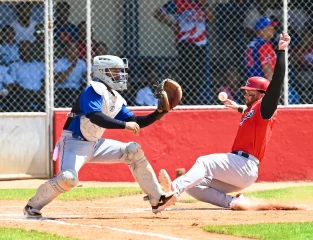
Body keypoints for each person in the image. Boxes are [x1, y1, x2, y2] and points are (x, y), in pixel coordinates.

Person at [23, 55, 176, 218]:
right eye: (115, 71)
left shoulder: (115, 98)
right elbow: (95, 116)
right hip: (74, 143)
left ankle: (157, 198)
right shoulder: (93, 90)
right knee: (68, 179)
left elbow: (135, 121)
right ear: (103, 72)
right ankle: (32, 206)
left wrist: (159, 113)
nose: (120, 75)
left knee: (133, 150)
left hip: (95, 143)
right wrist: (124, 126)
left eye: (120, 71)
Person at [155, 33, 290, 211]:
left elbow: (277, 82)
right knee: (195, 186)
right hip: (238, 169)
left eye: (251, 92)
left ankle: (174, 189)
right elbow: (250, 113)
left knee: (204, 162)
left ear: (263, 95)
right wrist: (238, 108)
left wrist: (281, 51)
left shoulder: (266, 106)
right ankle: (233, 203)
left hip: (244, 164)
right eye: (246, 91)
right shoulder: (252, 109)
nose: (246, 94)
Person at [245, 17, 277, 81]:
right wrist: (273, 86)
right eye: (269, 28)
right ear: (262, 31)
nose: (273, 30)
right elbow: (267, 69)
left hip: (251, 82)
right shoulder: (264, 45)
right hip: (262, 83)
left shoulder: (251, 44)